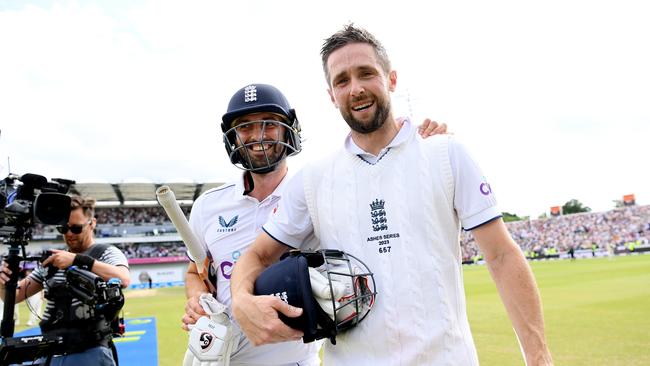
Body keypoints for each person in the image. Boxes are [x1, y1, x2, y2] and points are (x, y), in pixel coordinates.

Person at [230, 24, 553, 366]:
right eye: (342, 80)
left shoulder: (445, 153)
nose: (355, 89)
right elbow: (258, 257)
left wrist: (538, 356)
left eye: (366, 73)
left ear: (391, 79)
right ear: (331, 95)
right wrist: (241, 299)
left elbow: (502, 256)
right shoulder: (313, 179)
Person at [181, 83, 447, 365]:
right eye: (245, 126)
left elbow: (384, 188)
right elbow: (196, 271)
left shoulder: (320, 191)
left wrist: (420, 151)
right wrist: (197, 298)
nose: (257, 135)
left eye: (269, 123)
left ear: (289, 129)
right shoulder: (208, 206)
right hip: (222, 360)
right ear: (232, 136)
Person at [0, 195, 130, 366]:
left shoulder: (106, 253)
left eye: (76, 228)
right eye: (64, 228)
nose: (69, 234)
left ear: (92, 223)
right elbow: (15, 296)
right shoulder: (54, 259)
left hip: (89, 352)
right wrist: (3, 283)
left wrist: (78, 260)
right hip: (48, 352)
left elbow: (123, 279)